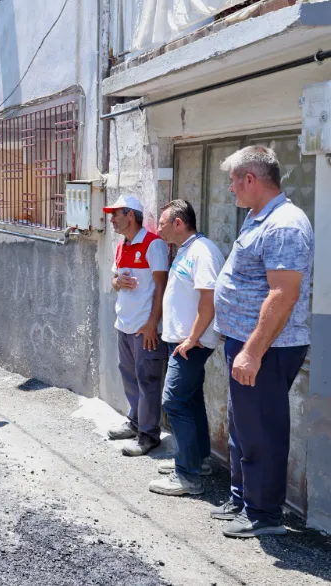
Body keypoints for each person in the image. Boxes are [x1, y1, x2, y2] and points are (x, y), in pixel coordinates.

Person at [211, 146, 313, 539]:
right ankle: (243, 498)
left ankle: (264, 515)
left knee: (262, 429)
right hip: (247, 341)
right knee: (243, 424)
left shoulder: (284, 224)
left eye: (234, 181)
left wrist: (252, 351)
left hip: (267, 347)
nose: (230, 189)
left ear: (250, 179)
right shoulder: (258, 217)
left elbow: (282, 295)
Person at [147, 200, 224, 497]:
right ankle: (197, 460)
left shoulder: (202, 252)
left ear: (179, 223)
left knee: (174, 402)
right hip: (183, 341)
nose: (159, 229)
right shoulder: (187, 250)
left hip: (191, 343)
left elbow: (209, 299)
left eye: (163, 223)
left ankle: (187, 476)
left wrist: (192, 338)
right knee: (190, 401)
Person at [105, 195, 169, 457]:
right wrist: (118, 283)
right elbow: (114, 280)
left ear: (130, 215)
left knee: (148, 380)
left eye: (115, 214)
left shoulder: (154, 244)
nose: (111, 220)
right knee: (129, 377)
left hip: (145, 328)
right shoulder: (122, 245)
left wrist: (153, 323)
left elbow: (162, 287)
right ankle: (135, 422)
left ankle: (149, 435)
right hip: (125, 324)